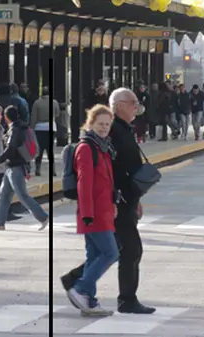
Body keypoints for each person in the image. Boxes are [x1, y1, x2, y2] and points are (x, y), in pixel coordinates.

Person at [62, 88, 156, 315]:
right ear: (120, 104)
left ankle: (78, 284)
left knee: (105, 252)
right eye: (133, 103)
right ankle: (121, 298)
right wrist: (93, 209)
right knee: (126, 250)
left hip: (122, 201)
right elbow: (96, 178)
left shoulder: (121, 130)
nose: (137, 107)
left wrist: (136, 199)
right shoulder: (106, 136)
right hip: (111, 205)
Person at [65, 104, 119, 316]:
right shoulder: (86, 148)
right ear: (90, 123)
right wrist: (87, 213)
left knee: (95, 255)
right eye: (100, 124)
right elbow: (83, 183)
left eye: (107, 124)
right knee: (111, 253)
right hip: (93, 213)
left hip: (103, 210)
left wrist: (113, 205)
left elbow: (107, 182)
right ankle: (80, 289)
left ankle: (89, 302)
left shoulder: (102, 147)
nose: (104, 128)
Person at [0, 106, 49, 231]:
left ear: (6, 117)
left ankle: (43, 217)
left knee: (22, 195)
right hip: (12, 167)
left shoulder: (15, 130)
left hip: (16, 166)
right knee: (3, 195)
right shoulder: (22, 127)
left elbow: (11, 149)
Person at [30, 86, 59, 176]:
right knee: (50, 150)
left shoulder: (37, 103)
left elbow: (34, 116)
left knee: (40, 149)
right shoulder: (54, 102)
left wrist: (31, 127)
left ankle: (38, 169)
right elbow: (57, 114)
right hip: (51, 127)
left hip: (39, 128)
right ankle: (53, 170)